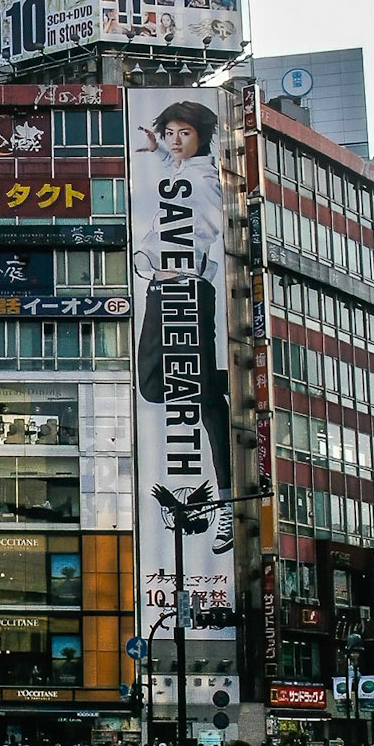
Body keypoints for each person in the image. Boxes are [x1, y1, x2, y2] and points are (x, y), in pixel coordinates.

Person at [133, 101, 233, 552]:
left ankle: (228, 503)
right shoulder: (178, 170)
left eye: (184, 133)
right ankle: (217, 381)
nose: (175, 139)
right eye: (169, 131)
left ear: (201, 137)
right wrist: (158, 153)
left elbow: (209, 226)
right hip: (160, 292)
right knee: (151, 385)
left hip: (187, 293)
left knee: (202, 403)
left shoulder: (206, 179)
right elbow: (173, 182)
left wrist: (188, 268)